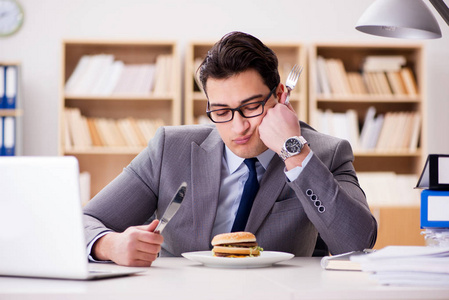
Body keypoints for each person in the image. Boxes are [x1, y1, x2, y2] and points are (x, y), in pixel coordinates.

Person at [83, 31, 377, 267]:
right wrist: (110, 245)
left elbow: (357, 243)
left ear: (280, 96)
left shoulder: (326, 154)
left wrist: (295, 153)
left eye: (251, 107)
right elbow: (85, 221)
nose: (238, 127)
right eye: (221, 111)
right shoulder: (169, 149)